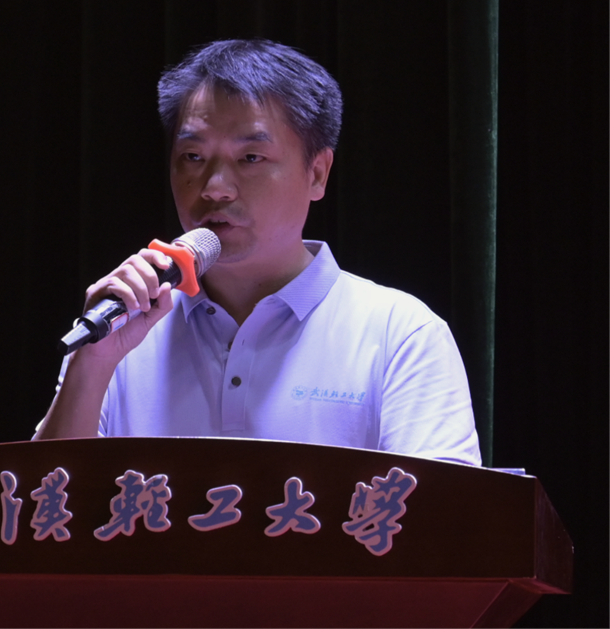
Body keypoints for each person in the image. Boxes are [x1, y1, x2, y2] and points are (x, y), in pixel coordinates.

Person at [34, 39, 481, 466]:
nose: (214, 188)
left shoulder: (400, 333)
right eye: (192, 157)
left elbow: (446, 512)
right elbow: (42, 506)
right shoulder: (123, 326)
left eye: (250, 158)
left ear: (317, 173)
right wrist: (92, 363)